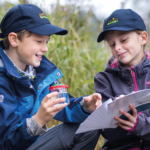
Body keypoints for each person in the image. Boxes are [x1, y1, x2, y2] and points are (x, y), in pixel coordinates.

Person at [0, 4, 102, 150]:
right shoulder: (2, 78)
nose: (45, 48)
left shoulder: (39, 73)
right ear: (14, 39)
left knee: (89, 126)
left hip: (35, 144)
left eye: (47, 42)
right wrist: (39, 120)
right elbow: (5, 143)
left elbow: (63, 106)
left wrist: (86, 106)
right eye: (39, 41)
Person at [94, 9, 150, 149]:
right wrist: (118, 116)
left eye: (123, 40)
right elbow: (108, 134)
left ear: (143, 38)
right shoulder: (104, 79)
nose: (117, 48)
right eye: (112, 44)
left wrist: (139, 124)